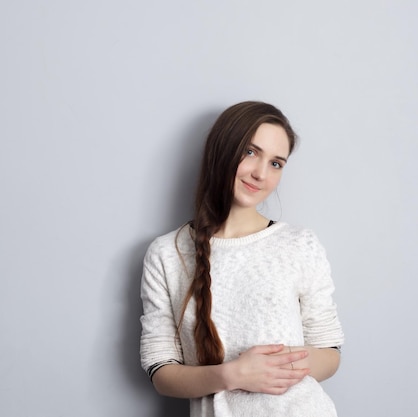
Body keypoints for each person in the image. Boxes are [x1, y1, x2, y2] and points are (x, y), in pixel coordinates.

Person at [139, 101, 344, 417]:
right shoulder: (167, 254)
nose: (261, 173)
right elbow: (162, 372)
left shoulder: (300, 244)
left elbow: (330, 353)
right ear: (222, 150)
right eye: (251, 152)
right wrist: (233, 374)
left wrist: (279, 363)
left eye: (276, 163)